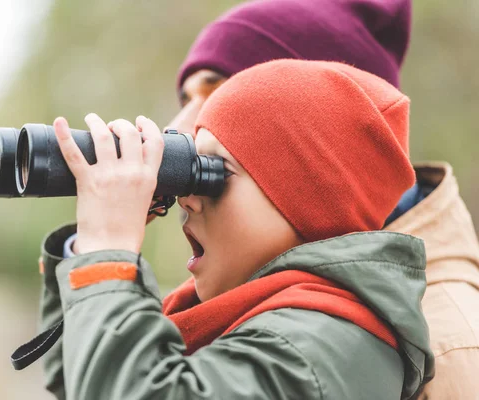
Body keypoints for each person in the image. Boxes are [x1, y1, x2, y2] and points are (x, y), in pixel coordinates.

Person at [35, 0, 477, 398]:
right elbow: (84, 374)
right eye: (187, 99)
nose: (179, 126)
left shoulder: (447, 338)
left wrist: (107, 252)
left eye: (216, 91)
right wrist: (95, 237)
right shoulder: (255, 290)